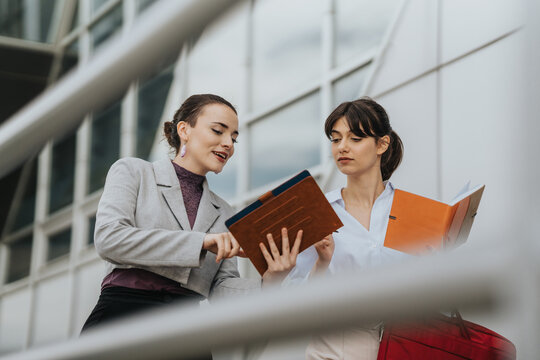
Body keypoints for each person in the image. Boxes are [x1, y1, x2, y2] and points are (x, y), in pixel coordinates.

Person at [81, 94, 301, 357]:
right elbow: (110, 239)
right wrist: (201, 242)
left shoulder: (224, 212)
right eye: (218, 131)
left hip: (187, 333)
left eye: (234, 137)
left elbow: (221, 290)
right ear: (184, 130)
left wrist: (271, 281)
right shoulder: (133, 172)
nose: (228, 143)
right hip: (122, 320)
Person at [286, 97, 409, 360]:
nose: (342, 147)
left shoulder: (412, 212)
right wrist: (322, 262)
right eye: (335, 139)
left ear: (382, 144)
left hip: (402, 346)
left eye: (355, 139)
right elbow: (297, 302)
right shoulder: (318, 212)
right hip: (334, 347)